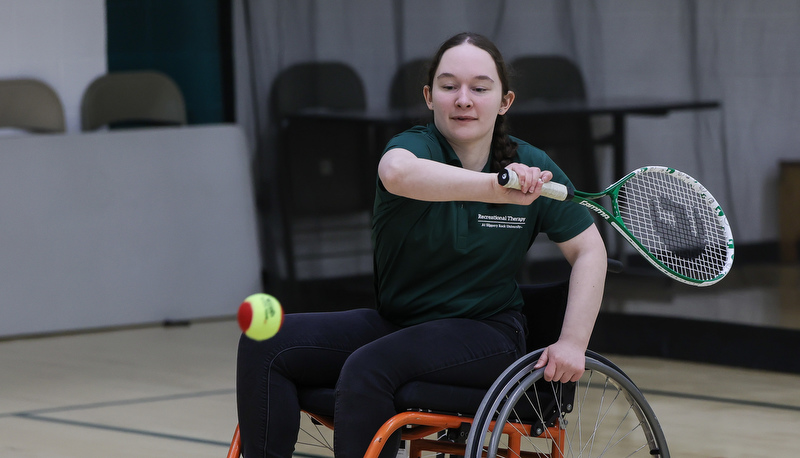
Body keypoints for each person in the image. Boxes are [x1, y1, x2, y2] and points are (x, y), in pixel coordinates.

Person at [236, 32, 607, 458]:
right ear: (430, 97)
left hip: (486, 333)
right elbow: (397, 173)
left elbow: (589, 250)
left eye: (480, 88)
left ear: (505, 101)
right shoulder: (414, 148)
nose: (463, 99)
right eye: (449, 87)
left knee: (369, 367)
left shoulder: (534, 167)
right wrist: (495, 186)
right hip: (401, 323)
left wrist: (573, 342)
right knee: (264, 341)